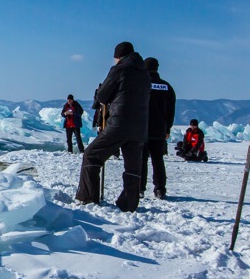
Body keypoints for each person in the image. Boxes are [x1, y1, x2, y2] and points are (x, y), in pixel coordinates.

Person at [74, 41, 151, 212]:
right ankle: (129, 203)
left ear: (118, 57)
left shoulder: (119, 69)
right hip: (139, 127)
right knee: (133, 167)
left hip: (119, 123)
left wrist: (99, 92)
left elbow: (103, 95)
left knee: (92, 155)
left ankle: (88, 196)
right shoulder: (144, 74)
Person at [140, 57, 176, 199]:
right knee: (158, 160)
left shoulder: (141, 85)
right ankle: (160, 189)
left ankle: (140, 188)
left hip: (143, 129)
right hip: (160, 130)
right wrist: (167, 128)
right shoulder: (167, 87)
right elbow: (171, 110)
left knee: (141, 160)